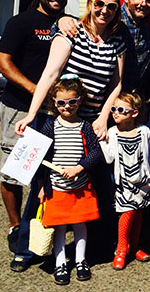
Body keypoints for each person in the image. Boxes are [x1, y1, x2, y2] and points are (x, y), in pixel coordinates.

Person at [15, 0, 126, 261]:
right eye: (99, 4)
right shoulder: (71, 32)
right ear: (90, 4)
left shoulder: (117, 40)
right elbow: (50, 75)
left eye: (111, 7)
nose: (104, 11)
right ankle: (28, 249)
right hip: (57, 119)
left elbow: (117, 83)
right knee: (44, 184)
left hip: (90, 125)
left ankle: (93, 249)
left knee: (99, 184)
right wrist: (31, 114)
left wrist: (103, 118)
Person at [0, 0, 67, 271]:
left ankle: (39, 227)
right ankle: (15, 226)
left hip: (53, 112)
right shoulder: (21, 22)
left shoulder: (65, 22)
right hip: (19, 108)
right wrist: (34, 89)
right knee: (15, 170)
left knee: (45, 173)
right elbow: (3, 62)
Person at [36, 76, 103, 285]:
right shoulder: (50, 127)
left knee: (80, 224)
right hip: (56, 188)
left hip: (80, 187)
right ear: (54, 103)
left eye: (72, 101)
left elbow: (95, 152)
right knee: (60, 227)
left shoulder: (85, 127)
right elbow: (41, 159)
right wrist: (40, 187)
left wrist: (79, 167)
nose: (67, 107)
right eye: (62, 103)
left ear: (80, 100)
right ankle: (60, 263)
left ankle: (81, 260)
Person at [100, 92, 150, 271]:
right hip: (124, 184)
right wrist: (101, 139)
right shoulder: (112, 132)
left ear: (134, 113)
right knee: (127, 213)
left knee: (138, 212)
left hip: (143, 181)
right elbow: (109, 158)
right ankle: (120, 250)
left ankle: (134, 246)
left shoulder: (144, 131)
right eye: (113, 109)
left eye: (120, 110)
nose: (115, 113)